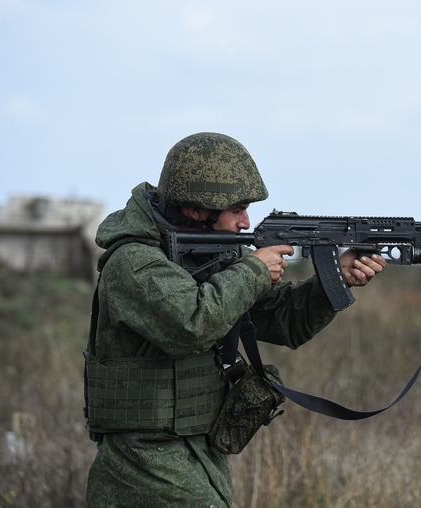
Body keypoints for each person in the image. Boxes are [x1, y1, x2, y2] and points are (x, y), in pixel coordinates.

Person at [83, 132, 386, 507]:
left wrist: (333, 280)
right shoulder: (133, 262)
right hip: (143, 464)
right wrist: (254, 271)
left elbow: (281, 320)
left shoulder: (209, 257)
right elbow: (191, 324)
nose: (246, 221)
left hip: (198, 452)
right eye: (237, 208)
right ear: (197, 209)